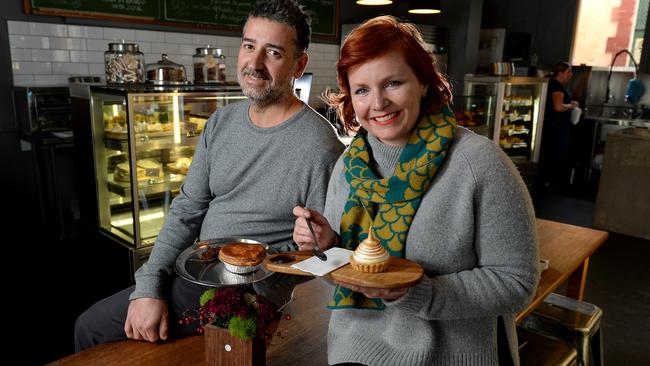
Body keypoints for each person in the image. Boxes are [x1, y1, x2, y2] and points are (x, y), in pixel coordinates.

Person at [74, 0, 344, 351]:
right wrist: (149, 286)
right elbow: (186, 211)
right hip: (194, 268)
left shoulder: (320, 145)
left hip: (240, 293)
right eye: (249, 46)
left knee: (89, 328)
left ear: (299, 64)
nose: (254, 63)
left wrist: (257, 294)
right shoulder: (221, 122)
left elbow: (319, 254)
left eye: (273, 52)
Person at [292, 16, 539, 365]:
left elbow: (516, 283)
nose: (377, 103)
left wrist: (417, 293)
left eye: (393, 83)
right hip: (354, 353)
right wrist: (329, 244)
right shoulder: (349, 168)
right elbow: (346, 280)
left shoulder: (478, 163)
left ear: (423, 81)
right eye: (361, 90)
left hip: (449, 357)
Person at [541, 61, 580, 194]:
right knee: (556, 155)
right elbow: (558, 107)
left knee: (549, 154)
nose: (571, 74)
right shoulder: (557, 87)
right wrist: (572, 106)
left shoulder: (549, 82)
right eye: (568, 71)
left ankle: (546, 183)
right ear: (560, 73)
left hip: (551, 126)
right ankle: (550, 186)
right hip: (557, 128)